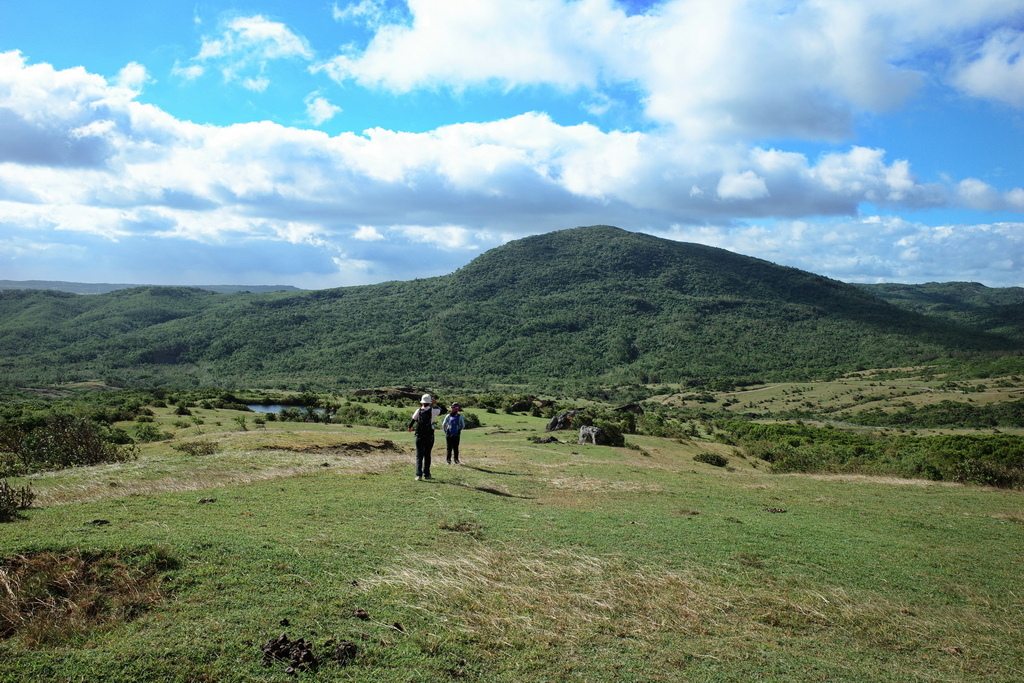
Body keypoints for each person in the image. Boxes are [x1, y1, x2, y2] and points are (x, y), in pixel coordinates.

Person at [407, 394, 440, 480]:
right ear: (430, 403)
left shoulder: (418, 411)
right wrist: (437, 403)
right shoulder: (433, 411)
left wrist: (410, 428)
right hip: (430, 436)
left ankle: (418, 475)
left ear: (421, 402)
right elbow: (444, 410)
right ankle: (427, 474)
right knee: (427, 455)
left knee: (419, 455)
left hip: (419, 436)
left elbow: (413, 420)